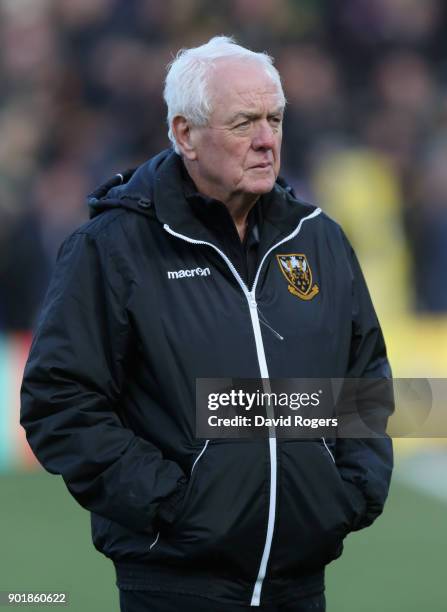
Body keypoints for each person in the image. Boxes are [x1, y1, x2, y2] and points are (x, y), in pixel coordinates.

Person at [20, 36, 393, 611]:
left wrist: (349, 492)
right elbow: (58, 400)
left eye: (275, 118)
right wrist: (173, 504)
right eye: (244, 122)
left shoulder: (318, 239)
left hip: (300, 584)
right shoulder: (113, 248)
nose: (267, 140)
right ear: (185, 134)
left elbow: (366, 375)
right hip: (175, 584)